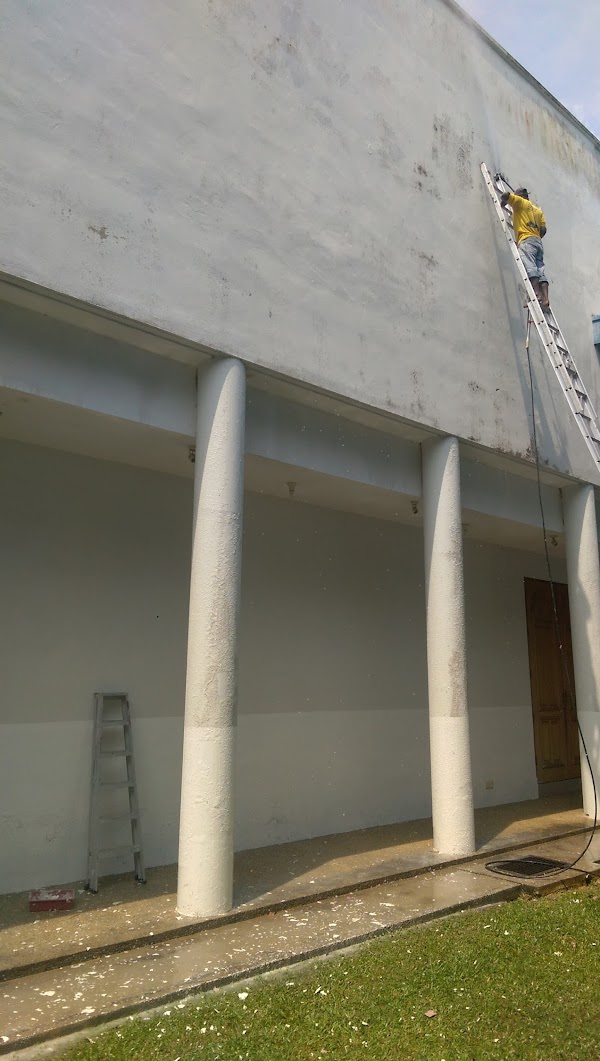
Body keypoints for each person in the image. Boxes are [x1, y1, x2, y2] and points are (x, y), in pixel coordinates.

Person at [500, 186, 549, 308]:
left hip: (526, 240)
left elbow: (505, 195)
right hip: (538, 241)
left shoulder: (520, 202)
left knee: (530, 266)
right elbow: (543, 230)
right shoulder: (538, 210)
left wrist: (504, 202)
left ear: (519, 196)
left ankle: (536, 294)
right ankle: (545, 298)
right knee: (540, 270)